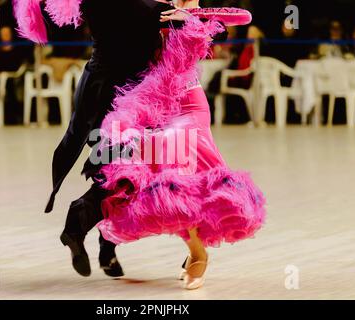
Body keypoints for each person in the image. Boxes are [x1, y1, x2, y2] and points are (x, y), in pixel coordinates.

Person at [96, 3, 265, 290]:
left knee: (186, 174)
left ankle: (198, 254)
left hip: (190, 104)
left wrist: (191, 15)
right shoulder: (150, 11)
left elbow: (244, 16)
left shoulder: (194, 13)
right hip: (158, 104)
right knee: (168, 182)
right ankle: (194, 249)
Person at [14, 0, 175, 278]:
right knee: (120, 172)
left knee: (121, 174)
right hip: (112, 95)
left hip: (118, 91)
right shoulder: (128, 6)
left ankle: (104, 245)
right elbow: (145, 12)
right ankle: (80, 228)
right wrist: (181, 15)